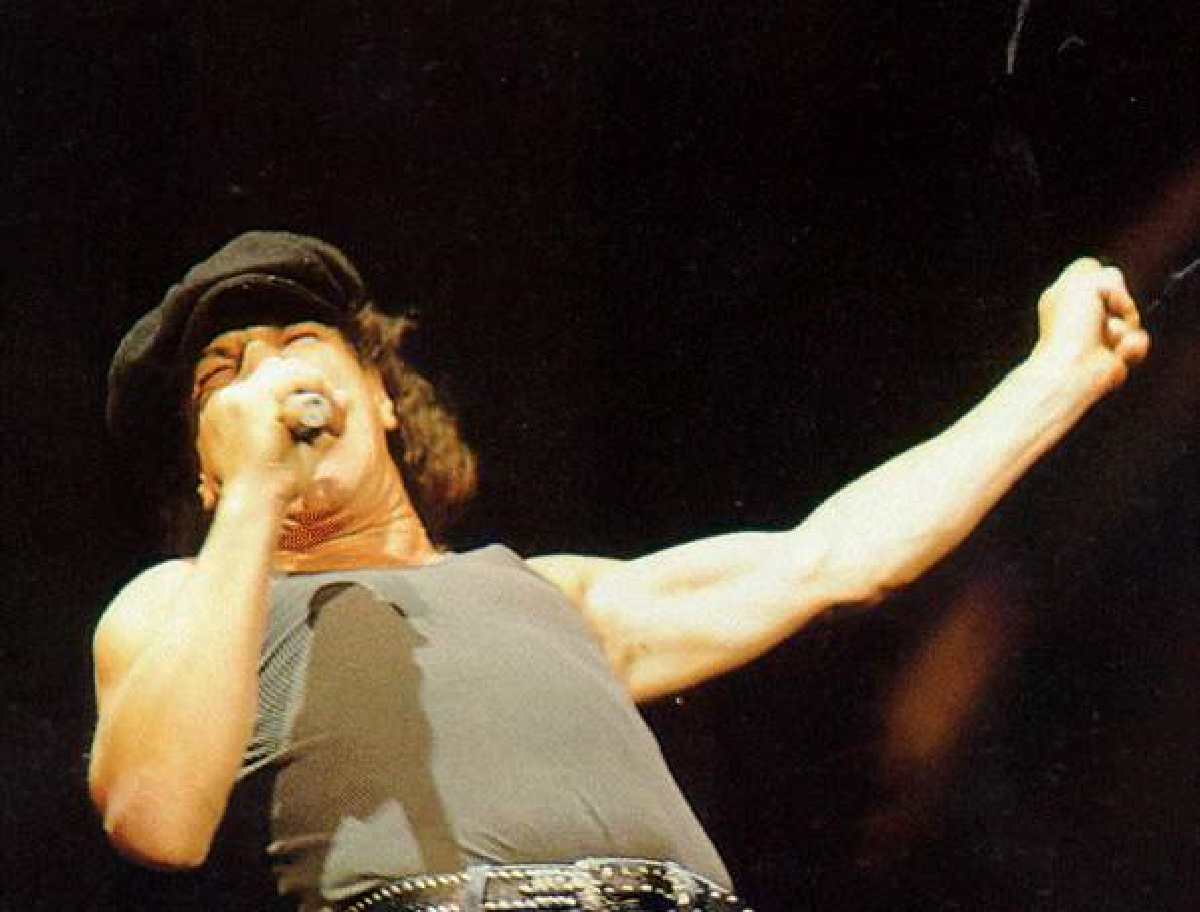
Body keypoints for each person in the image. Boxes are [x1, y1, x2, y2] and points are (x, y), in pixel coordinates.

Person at [88, 231, 1149, 912]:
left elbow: (833, 557)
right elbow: (154, 817)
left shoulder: (558, 596)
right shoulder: (177, 605)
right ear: (207, 470)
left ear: (379, 397)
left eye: (298, 340)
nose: (267, 375)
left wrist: (1060, 376)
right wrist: (257, 493)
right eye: (223, 376)